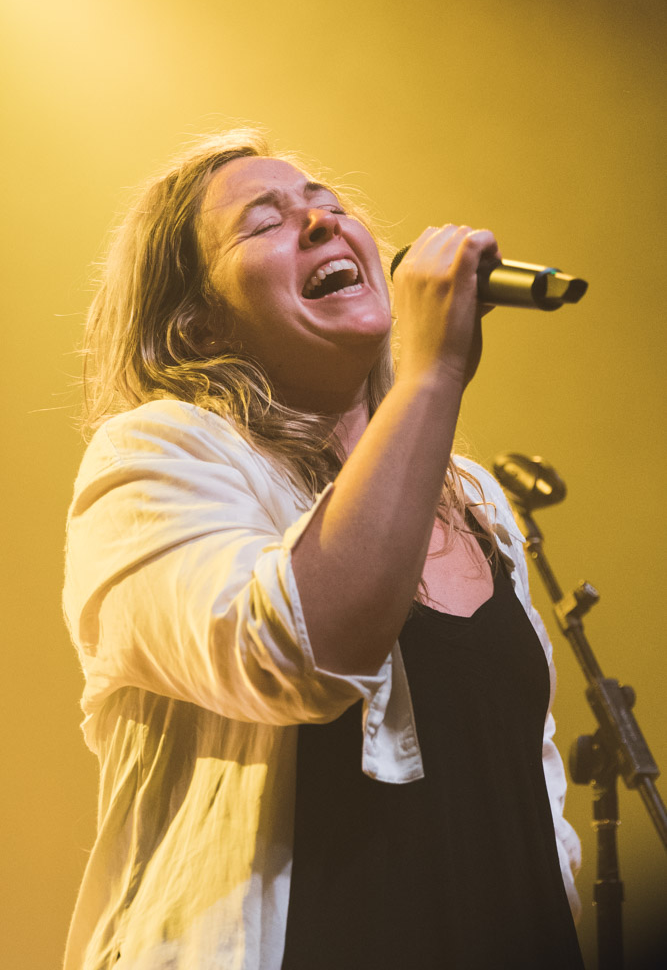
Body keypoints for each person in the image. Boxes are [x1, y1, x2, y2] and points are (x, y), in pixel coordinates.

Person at [63, 129, 584, 970]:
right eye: (264, 223)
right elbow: (296, 652)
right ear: (196, 328)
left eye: (331, 207)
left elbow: (531, 777)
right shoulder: (155, 458)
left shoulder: (474, 496)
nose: (320, 224)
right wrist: (431, 377)